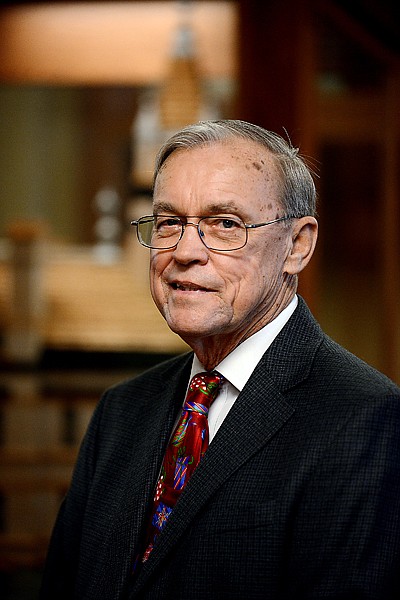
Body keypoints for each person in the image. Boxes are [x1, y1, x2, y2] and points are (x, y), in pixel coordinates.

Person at [40, 120, 400, 599]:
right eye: (169, 222)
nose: (186, 252)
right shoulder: (122, 410)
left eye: (224, 224)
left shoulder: (367, 420)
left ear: (298, 245)